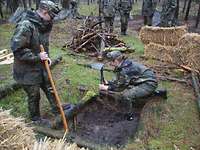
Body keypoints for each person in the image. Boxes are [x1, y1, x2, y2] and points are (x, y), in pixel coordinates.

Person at [11, 0, 60, 126]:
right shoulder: (25, 25)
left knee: (50, 87)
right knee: (34, 95)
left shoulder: (43, 24)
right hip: (26, 69)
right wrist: (38, 57)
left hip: (40, 65)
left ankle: (57, 108)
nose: (52, 19)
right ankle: (35, 119)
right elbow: (18, 49)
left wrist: (46, 57)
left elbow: (41, 44)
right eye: (52, 15)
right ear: (44, 11)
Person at [99, 51, 158, 118]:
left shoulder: (125, 69)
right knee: (128, 90)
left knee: (126, 96)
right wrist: (109, 83)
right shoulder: (124, 64)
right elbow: (120, 80)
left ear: (115, 61)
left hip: (149, 84)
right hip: (143, 81)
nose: (109, 64)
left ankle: (128, 115)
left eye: (110, 61)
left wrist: (106, 88)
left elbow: (120, 88)